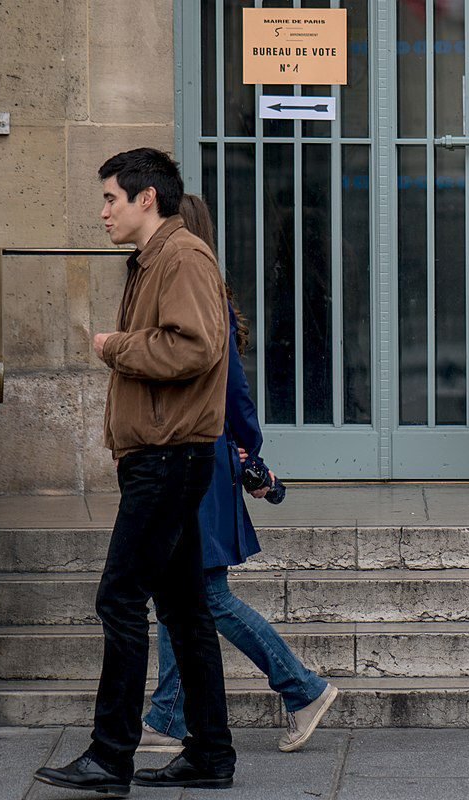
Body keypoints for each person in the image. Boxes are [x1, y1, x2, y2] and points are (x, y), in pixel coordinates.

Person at [34, 150, 236, 796]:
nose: (103, 213)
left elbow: (196, 344)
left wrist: (114, 348)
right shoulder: (155, 261)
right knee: (184, 609)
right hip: (163, 459)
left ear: (147, 198)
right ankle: (210, 753)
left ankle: (110, 755)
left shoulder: (181, 258)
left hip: (170, 461)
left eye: (111, 200)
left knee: (119, 598)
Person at [140, 194, 338, 755]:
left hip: (198, 461)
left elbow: (232, 391)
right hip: (192, 460)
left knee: (204, 593)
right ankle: (168, 717)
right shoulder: (196, 292)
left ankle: (301, 688)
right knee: (184, 591)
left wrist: (247, 449)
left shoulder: (196, 295)